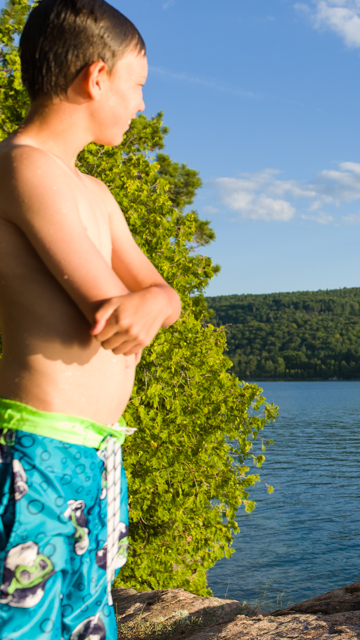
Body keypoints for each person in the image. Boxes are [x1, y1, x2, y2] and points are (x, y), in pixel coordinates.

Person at [0, 1, 181, 638]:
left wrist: (158, 300)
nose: (140, 105)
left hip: (98, 453)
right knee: (23, 624)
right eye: (137, 86)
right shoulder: (23, 168)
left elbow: (162, 295)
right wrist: (148, 301)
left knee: (86, 621)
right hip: (38, 450)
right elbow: (108, 309)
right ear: (95, 78)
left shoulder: (95, 193)